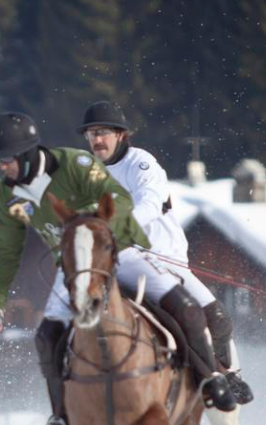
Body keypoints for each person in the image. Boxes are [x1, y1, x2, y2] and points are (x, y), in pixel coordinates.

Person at [0, 112, 238, 425]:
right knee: (46, 336)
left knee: (185, 307)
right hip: (71, 267)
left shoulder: (75, 163)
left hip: (121, 251)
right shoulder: (7, 196)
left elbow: (121, 197)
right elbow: (7, 253)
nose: (1, 166)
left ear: (25, 152)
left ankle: (210, 381)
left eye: (5, 158)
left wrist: (93, 229)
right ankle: (63, 421)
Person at [77, 101, 253, 404]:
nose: (97, 140)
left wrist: (116, 226)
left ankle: (225, 376)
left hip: (164, 261)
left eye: (103, 132)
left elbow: (150, 203)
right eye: (91, 134)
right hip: (116, 263)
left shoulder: (140, 163)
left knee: (218, 318)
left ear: (121, 134)